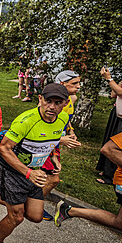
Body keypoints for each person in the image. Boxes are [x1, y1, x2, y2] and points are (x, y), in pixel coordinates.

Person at [0, 83, 70, 243]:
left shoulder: (63, 118)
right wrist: (27, 172)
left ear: (65, 103)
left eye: (58, 102)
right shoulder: (26, 120)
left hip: (35, 172)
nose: (52, 107)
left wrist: (54, 158)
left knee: (36, 216)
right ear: (40, 99)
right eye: (48, 101)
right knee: (17, 216)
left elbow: (51, 140)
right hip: (13, 171)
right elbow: (3, 148)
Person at [39, 70, 82, 220]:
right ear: (62, 84)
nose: (78, 86)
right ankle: (34, 205)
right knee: (53, 179)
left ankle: (31, 204)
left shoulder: (72, 99)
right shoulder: (49, 101)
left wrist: (70, 130)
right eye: (74, 83)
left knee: (45, 177)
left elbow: (65, 118)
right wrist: (60, 139)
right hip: (45, 141)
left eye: (79, 83)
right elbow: (41, 127)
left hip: (55, 141)